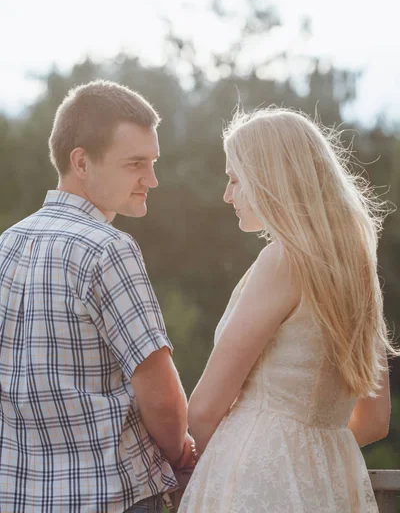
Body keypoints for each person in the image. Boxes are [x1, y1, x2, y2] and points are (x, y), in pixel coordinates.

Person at [178, 108, 398, 513]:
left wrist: (240, 462)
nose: (228, 195)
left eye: (234, 179)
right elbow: (374, 420)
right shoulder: (356, 270)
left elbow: (204, 409)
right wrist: (308, 458)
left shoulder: (281, 260)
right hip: (332, 481)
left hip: (254, 479)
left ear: (270, 179)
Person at [0, 80, 195, 513]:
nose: (152, 179)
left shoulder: (6, 245)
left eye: (153, 162)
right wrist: (180, 451)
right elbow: (160, 394)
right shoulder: (108, 248)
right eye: (135, 164)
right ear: (82, 162)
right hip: (109, 496)